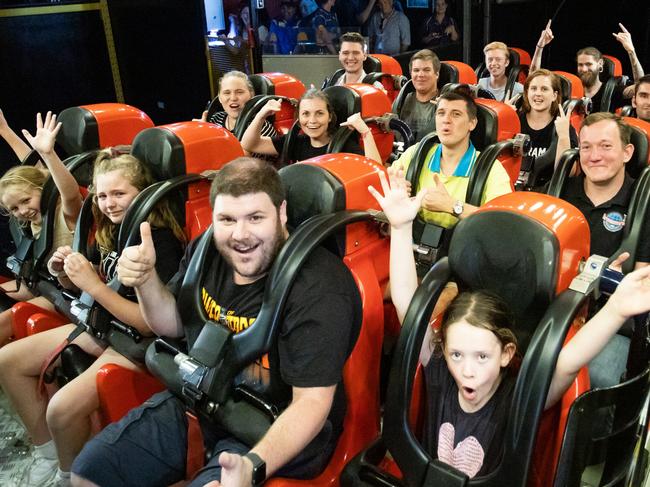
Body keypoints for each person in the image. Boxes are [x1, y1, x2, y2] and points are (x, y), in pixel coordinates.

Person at [70, 157, 362, 486]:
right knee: (89, 472)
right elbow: (173, 325)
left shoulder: (319, 286)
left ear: (281, 214)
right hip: (203, 398)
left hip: (269, 426)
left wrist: (252, 465)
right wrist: (146, 281)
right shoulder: (206, 251)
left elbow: (311, 402)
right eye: (226, 219)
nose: (240, 235)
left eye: (255, 217)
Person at [368, 164, 650, 478]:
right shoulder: (440, 377)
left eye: (482, 356)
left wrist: (616, 311)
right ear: (443, 350)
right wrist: (401, 227)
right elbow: (410, 310)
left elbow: (567, 363)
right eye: (456, 354)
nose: (467, 370)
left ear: (505, 354)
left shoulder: (517, 399)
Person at [0, 150, 185, 487]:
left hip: (136, 342)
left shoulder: (159, 240)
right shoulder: (112, 229)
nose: (109, 203)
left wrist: (91, 286)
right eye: (101, 196)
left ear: (142, 192)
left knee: (61, 409)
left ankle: (67, 476)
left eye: (119, 194)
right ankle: (48, 455)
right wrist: (68, 273)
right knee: (7, 361)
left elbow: (148, 324)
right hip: (104, 326)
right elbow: (99, 282)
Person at [559, 112, 650, 388]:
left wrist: (621, 284)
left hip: (610, 322)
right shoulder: (560, 193)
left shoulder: (644, 205)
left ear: (627, 152)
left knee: (597, 378)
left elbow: (643, 283)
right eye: (586, 147)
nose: (594, 155)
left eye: (606, 146)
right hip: (554, 311)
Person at [0, 112, 82, 345]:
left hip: (68, 292)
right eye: (14, 208)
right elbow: (31, 172)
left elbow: (66, 189)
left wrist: (48, 154)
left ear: (45, 189)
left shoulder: (64, 212)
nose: (22, 211)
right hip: (44, 283)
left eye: (26, 201)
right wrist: (4, 131)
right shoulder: (30, 221)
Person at [393, 89, 512, 229]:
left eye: (456, 114)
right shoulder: (416, 153)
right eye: (441, 113)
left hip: (465, 247)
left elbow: (501, 223)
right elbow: (386, 186)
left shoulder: (491, 169)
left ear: (472, 123)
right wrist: (394, 190)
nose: (446, 120)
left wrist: (451, 205)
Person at [241, 88, 382, 164]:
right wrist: (261, 115)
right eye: (306, 114)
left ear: (330, 116)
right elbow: (249, 144)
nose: (312, 120)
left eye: (319, 113)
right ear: (299, 117)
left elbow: (375, 170)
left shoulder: (343, 146)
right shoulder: (295, 142)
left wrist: (365, 131)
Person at [531, 22, 645, 112]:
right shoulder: (568, 89)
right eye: (580, 65)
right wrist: (540, 47)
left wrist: (631, 52)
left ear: (600, 64)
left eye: (589, 64)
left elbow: (641, 87)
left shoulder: (612, 90)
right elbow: (533, 79)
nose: (584, 69)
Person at [514, 69, 578, 187]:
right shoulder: (515, 121)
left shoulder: (564, 127)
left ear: (554, 95)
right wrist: (505, 119)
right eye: (533, 88)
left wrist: (563, 136)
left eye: (544, 89)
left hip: (547, 192)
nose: (538, 93)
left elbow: (569, 173)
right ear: (527, 93)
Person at [397, 49, 441, 142]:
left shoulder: (444, 104)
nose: (420, 75)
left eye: (426, 70)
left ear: (436, 74)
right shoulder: (403, 100)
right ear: (411, 74)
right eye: (416, 70)